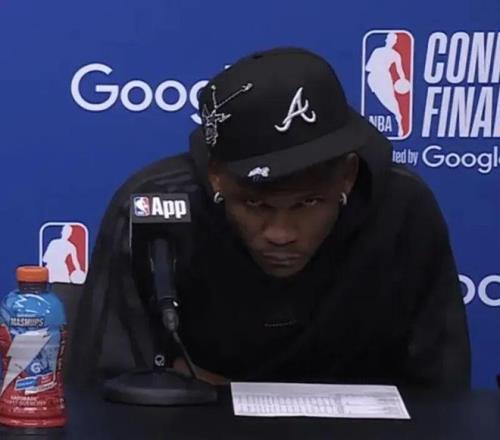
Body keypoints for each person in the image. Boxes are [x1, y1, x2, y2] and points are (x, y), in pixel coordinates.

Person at [70, 47, 470, 389]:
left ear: (348, 176)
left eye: (308, 203)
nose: (280, 234)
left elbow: (440, 391)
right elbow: (105, 388)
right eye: (255, 205)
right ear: (216, 176)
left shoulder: (402, 208)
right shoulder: (155, 207)